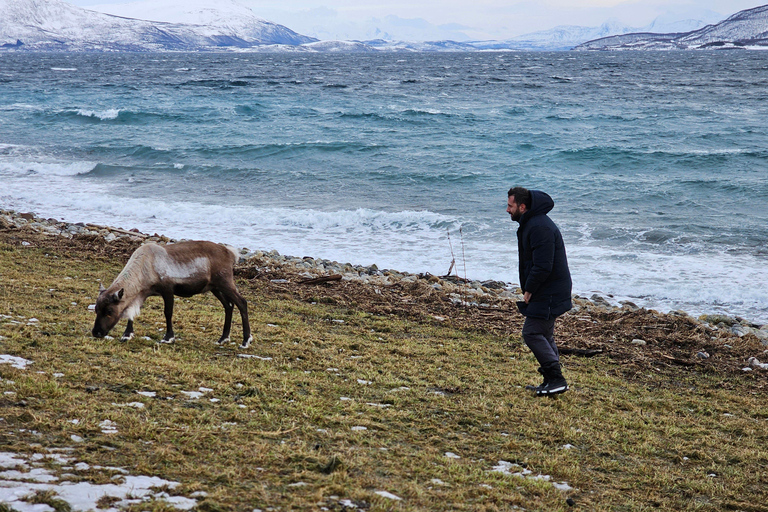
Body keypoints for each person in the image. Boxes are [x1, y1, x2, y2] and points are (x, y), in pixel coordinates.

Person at [506, 187, 572, 396]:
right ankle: (552, 381)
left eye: (510, 205)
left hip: (550, 290)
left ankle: (556, 379)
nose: (507, 210)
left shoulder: (539, 227)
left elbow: (543, 265)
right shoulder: (532, 223)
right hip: (550, 288)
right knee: (544, 333)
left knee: (532, 332)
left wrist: (529, 290)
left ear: (522, 207)